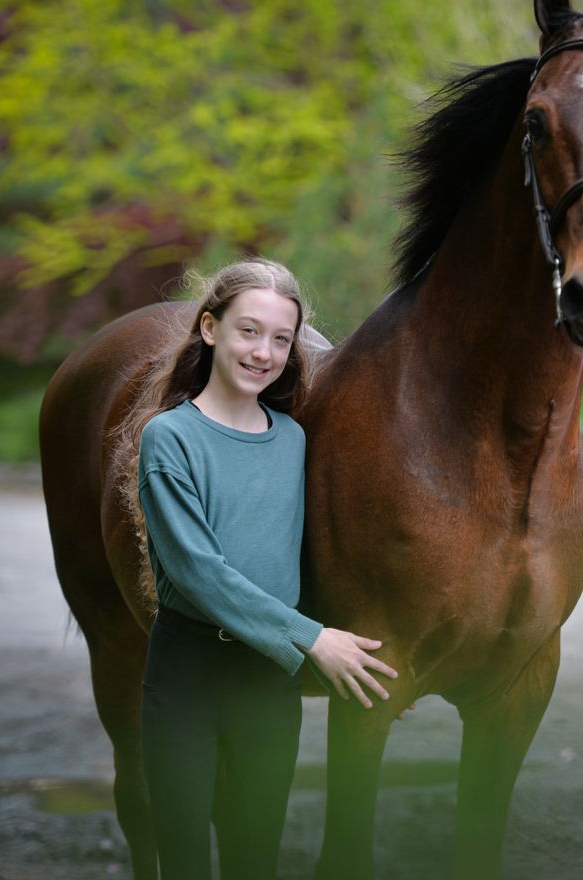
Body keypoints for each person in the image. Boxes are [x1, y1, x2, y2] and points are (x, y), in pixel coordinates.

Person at [129, 258, 398, 880]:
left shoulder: (293, 440)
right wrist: (312, 638)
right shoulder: (168, 438)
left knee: (257, 859)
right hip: (185, 678)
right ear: (209, 328)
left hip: (265, 685)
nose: (264, 352)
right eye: (249, 331)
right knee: (186, 861)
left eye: (282, 338)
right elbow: (198, 571)